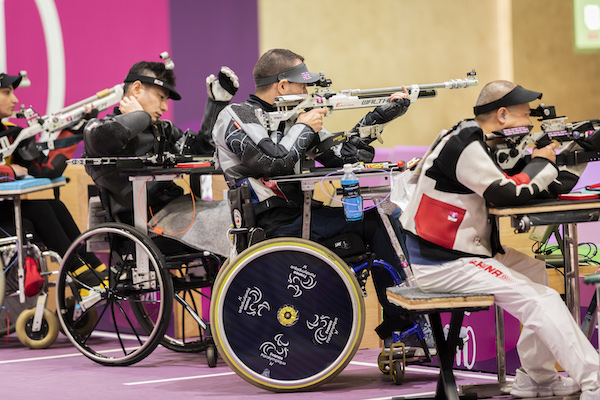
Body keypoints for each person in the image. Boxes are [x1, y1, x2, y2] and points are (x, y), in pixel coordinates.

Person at [399, 80, 599, 399]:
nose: (530, 125)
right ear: (502, 115)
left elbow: (528, 180)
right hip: (445, 260)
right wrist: (544, 160)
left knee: (534, 272)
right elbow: (507, 192)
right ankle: (594, 380)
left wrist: (572, 155)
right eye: (525, 116)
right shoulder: (466, 145)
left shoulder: (471, 137)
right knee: (541, 299)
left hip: (457, 251)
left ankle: (538, 378)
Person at [212, 48, 421, 343]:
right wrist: (303, 126)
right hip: (269, 226)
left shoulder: (293, 119)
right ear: (282, 86)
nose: (308, 92)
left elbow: (344, 156)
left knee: (385, 216)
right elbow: (272, 161)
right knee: (379, 222)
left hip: (303, 218)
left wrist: (379, 117)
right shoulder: (236, 115)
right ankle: (404, 331)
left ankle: (401, 324)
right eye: (303, 85)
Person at [83, 61, 239, 221]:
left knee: (239, 214)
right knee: (231, 219)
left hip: (180, 209)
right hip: (146, 225)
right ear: (137, 89)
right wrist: (140, 116)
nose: (165, 107)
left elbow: (200, 152)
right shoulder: (98, 129)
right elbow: (109, 137)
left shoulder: (163, 129)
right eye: (161, 97)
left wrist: (216, 104)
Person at [0, 72, 98, 267]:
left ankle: (94, 267)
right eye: (6, 92)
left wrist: (75, 128)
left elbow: (44, 171)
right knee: (40, 209)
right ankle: (80, 274)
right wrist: (9, 171)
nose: (15, 99)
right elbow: (12, 171)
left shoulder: (13, 134)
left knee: (54, 205)